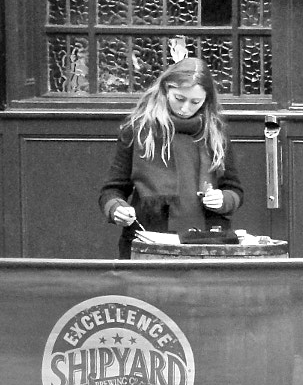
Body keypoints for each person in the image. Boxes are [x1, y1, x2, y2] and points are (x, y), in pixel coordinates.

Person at [98, 58, 242, 259]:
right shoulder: (138, 130)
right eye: (179, 98)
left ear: (206, 100)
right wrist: (116, 209)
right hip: (148, 241)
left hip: (208, 243)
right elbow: (112, 190)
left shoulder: (216, 134)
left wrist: (223, 200)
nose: (185, 108)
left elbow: (234, 190)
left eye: (195, 102)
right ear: (166, 90)